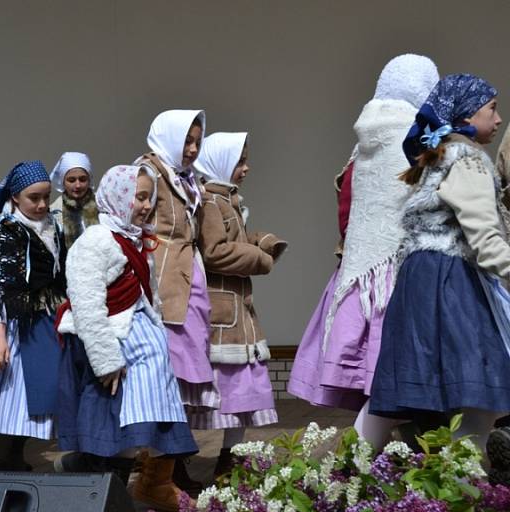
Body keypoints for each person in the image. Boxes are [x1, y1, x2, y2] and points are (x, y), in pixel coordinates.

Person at [288, 54, 440, 449]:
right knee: (391, 388)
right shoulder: (414, 142)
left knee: (391, 392)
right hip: (399, 280)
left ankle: (382, 476)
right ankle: (349, 476)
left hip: (361, 276)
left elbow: (346, 212)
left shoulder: (364, 146)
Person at [369, 74, 507, 457]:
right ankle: (466, 493)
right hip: (451, 283)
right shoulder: (467, 161)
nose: (498, 120)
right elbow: (486, 241)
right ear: (466, 112)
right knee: (481, 396)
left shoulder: (438, 156)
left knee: (410, 390)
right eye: (492, 108)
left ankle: (344, 473)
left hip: (419, 279)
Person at [55, 164, 197, 508]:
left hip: (139, 355)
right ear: (118, 197)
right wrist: (106, 361)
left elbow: (147, 297)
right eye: (140, 196)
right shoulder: (95, 241)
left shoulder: (132, 238)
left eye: (150, 197)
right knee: (112, 434)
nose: (146, 205)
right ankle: (101, 502)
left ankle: (117, 494)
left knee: (137, 430)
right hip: (112, 354)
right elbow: (87, 305)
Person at [0, 161, 66, 471]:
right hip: (11, 323)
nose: (42, 204)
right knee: (0, 394)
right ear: (16, 197)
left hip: (42, 321)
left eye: (46, 197)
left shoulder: (52, 226)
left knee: (32, 394)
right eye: (34, 198)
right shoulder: (8, 230)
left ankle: (14, 456)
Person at [194, 131, 285, 475]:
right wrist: (259, 257)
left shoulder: (227, 200)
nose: (246, 168)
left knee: (242, 391)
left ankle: (230, 460)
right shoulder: (210, 202)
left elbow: (233, 240)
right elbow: (214, 251)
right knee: (218, 390)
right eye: (239, 161)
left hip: (236, 313)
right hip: (221, 318)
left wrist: (263, 240)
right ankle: (167, 464)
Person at [132, 109, 209, 499]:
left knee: (182, 380)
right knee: (167, 377)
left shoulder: (187, 178)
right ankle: (155, 474)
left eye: (197, 141)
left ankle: (167, 468)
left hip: (187, 277)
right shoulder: (149, 171)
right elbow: (135, 219)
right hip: (162, 281)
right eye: (186, 141)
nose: (193, 148)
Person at [49, 152, 98, 249]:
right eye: (71, 180)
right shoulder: (55, 212)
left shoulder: (102, 205)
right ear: (63, 181)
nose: (78, 185)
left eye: (83, 179)